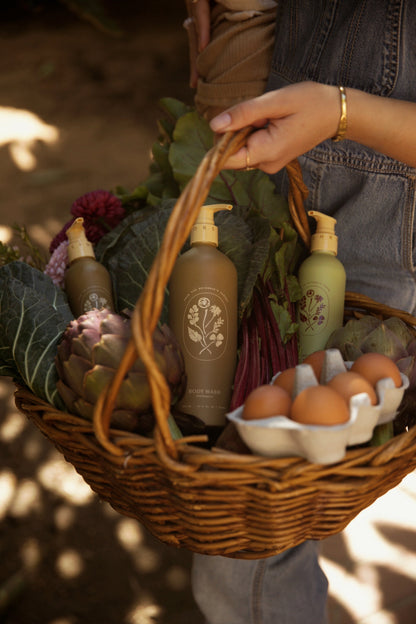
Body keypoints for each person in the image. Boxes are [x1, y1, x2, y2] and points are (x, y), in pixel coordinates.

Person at [185, 1, 416, 623]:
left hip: (382, 230)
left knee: (248, 544)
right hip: (278, 195)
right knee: (250, 532)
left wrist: (341, 113)